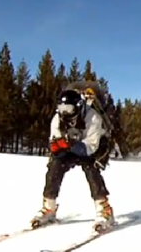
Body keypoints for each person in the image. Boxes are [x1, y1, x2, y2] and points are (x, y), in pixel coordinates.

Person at [30, 82, 116, 232]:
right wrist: (57, 148)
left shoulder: (93, 117)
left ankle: (104, 209)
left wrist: (71, 146)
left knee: (91, 168)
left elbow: (91, 146)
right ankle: (49, 207)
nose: (65, 112)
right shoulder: (57, 119)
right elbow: (54, 139)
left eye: (68, 108)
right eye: (62, 108)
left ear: (78, 106)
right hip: (72, 147)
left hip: (93, 148)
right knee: (54, 166)